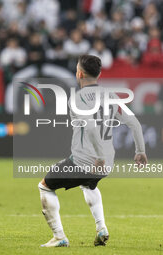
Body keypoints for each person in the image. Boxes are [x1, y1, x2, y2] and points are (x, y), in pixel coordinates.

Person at [38, 55, 147, 247]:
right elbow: (135, 124)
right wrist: (140, 151)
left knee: (45, 186)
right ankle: (101, 228)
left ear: (79, 73)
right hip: (106, 164)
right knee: (89, 186)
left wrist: (98, 156)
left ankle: (59, 237)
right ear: (99, 74)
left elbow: (89, 127)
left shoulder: (77, 99)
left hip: (86, 161)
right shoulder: (111, 96)